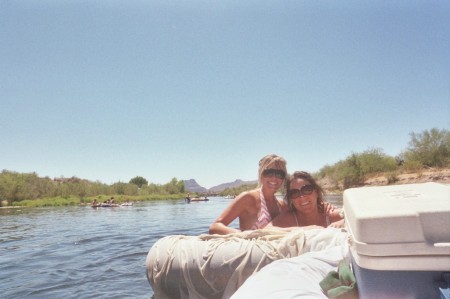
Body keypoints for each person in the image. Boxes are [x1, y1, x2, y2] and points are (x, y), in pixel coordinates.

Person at [209, 154, 288, 235]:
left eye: (279, 174)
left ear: (283, 178)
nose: (274, 178)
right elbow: (215, 227)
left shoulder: (283, 205)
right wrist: (246, 235)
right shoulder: (248, 198)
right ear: (261, 174)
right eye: (269, 173)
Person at [268, 171, 344, 229]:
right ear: (291, 199)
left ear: (316, 192)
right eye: (294, 193)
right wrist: (304, 230)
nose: (302, 197)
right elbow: (265, 231)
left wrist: (344, 222)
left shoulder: (329, 213)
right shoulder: (289, 219)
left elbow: (353, 213)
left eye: (307, 190)